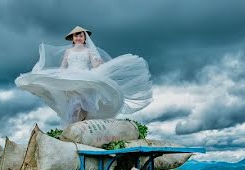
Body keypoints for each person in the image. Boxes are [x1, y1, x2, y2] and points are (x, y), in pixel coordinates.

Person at [15, 26, 153, 125]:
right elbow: (63, 66)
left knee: (82, 103)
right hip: (71, 78)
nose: (78, 37)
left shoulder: (88, 51)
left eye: (81, 35)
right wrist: (58, 78)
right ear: (73, 39)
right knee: (73, 105)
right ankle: (74, 127)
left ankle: (81, 126)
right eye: (76, 35)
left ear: (84, 38)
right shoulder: (68, 52)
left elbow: (95, 65)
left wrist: (99, 64)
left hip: (84, 79)